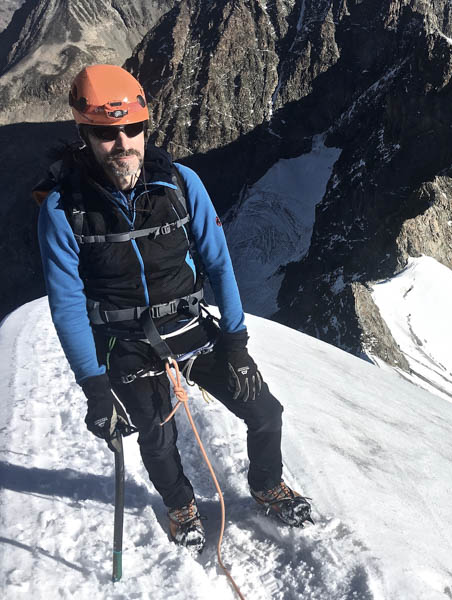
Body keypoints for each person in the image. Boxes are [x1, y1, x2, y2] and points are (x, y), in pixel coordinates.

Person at [36, 64, 311, 553]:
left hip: (190, 326)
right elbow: (67, 303)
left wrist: (235, 341)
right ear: (84, 134)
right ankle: (180, 502)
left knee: (265, 412)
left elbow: (219, 264)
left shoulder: (181, 184)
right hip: (124, 342)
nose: (121, 142)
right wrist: (94, 386)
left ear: (146, 125)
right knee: (157, 436)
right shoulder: (61, 210)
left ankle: (267, 486)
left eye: (132, 128)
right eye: (105, 132)